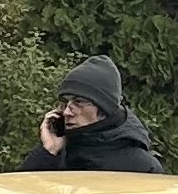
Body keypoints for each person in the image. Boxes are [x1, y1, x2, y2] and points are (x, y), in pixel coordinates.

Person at [22, 55, 166, 173]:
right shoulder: (57, 154)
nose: (67, 112)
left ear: (104, 108)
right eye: (65, 102)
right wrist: (49, 150)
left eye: (78, 102)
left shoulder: (141, 168)